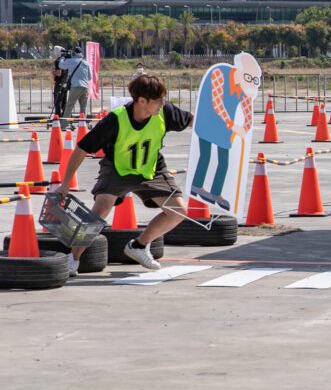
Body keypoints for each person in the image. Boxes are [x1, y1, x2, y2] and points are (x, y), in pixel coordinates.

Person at [57, 75, 193, 275]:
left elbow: (194, 121)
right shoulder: (115, 120)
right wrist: (65, 183)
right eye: (158, 100)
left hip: (150, 169)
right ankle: (73, 259)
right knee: (100, 210)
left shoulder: (165, 112)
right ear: (142, 101)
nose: (162, 104)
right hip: (117, 169)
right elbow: (81, 149)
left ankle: (139, 246)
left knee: (179, 211)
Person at [190, 53, 260, 210]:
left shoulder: (243, 85)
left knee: (224, 161)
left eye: (254, 79)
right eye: (250, 78)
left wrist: (245, 128)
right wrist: (231, 124)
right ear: (239, 70)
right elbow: (216, 101)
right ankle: (197, 185)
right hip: (208, 118)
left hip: (226, 126)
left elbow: (247, 108)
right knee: (205, 155)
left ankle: (216, 193)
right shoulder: (219, 73)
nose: (251, 82)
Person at [60, 46, 92, 127]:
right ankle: (82, 124)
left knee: (70, 105)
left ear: (74, 53)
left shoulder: (71, 61)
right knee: (83, 107)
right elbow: (89, 77)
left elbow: (61, 66)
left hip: (75, 86)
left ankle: (64, 124)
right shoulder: (86, 62)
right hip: (85, 87)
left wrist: (62, 57)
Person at [51, 46, 68, 120]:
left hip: (59, 83)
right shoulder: (66, 60)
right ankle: (65, 117)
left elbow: (58, 73)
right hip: (65, 83)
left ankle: (58, 117)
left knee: (57, 101)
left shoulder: (58, 61)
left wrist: (52, 72)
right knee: (64, 101)